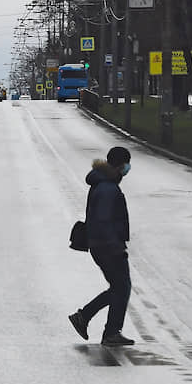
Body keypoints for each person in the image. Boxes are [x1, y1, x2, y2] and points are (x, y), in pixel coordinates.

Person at [69, 146, 135, 347]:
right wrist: (115, 246)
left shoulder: (104, 183)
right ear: (121, 165)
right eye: (127, 164)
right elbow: (103, 220)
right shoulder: (107, 188)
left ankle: (89, 319)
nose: (128, 169)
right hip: (107, 246)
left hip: (101, 245)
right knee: (121, 287)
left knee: (119, 288)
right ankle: (106, 329)